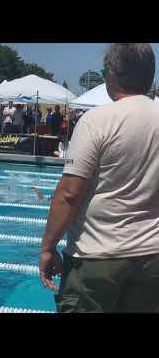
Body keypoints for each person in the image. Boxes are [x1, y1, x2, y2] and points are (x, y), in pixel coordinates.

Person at [39, 43, 159, 313]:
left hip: (97, 258)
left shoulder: (97, 120)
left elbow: (69, 194)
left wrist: (48, 247)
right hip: (153, 260)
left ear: (112, 74)